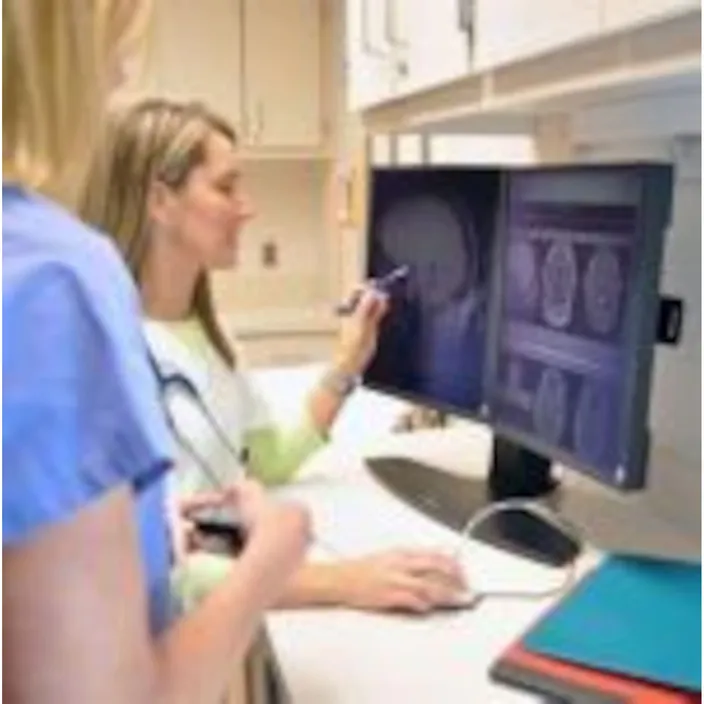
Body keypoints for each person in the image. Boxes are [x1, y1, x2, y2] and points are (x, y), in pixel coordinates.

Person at [3, 3, 310, 703]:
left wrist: (149, 532)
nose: (121, 75)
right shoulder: (55, 279)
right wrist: (273, 557)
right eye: (113, 46)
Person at [81, 98, 469, 614]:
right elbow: (163, 566)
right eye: (225, 187)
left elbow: (268, 460)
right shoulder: (105, 357)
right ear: (160, 201)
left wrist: (347, 364)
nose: (247, 207)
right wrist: (343, 582)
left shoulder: (211, 337)